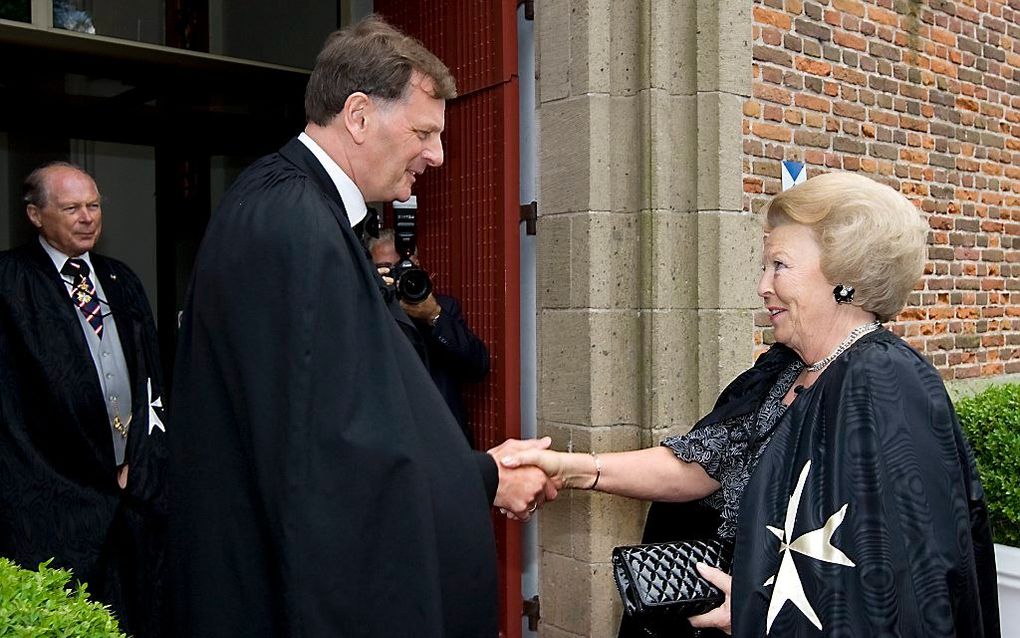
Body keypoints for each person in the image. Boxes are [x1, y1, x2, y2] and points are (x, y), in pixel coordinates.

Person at [168, 16, 553, 637]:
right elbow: (335, 458)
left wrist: (474, 465)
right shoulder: (297, 222)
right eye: (425, 132)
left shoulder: (285, 202)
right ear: (358, 115)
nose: (438, 154)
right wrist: (482, 477)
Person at [504, 172, 1000, 637]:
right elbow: (701, 466)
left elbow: (904, 578)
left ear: (844, 277)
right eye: (764, 266)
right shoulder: (783, 369)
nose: (763, 285)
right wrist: (569, 468)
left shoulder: (885, 383)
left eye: (779, 266)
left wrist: (765, 609)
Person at [0, 162, 167, 636]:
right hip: (52, 495)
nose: (87, 217)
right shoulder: (10, 283)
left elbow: (152, 381)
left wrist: (143, 458)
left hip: (127, 490)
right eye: (71, 208)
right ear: (35, 215)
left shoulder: (120, 280)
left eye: (93, 206)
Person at [368, 227, 490, 439]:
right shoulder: (364, 310)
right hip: (389, 438)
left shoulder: (443, 308)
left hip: (442, 436)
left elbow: (477, 366)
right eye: (386, 269)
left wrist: (434, 316)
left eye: (403, 267)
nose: (398, 276)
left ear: (417, 265)